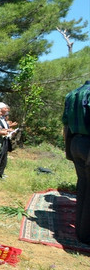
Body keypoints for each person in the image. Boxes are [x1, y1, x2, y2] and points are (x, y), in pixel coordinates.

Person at [62, 80, 90, 244]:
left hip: (76, 143)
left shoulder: (72, 94)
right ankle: (86, 235)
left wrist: (69, 148)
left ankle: (81, 231)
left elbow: (66, 123)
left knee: (83, 186)